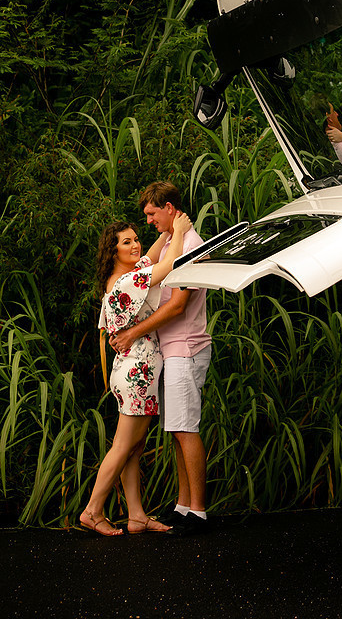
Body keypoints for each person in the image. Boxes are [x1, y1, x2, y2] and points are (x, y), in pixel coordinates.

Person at [79, 213, 192, 536]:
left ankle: (137, 516)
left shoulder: (127, 276)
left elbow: (152, 257)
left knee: (134, 447)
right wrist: (180, 231)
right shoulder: (127, 282)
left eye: (136, 239)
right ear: (113, 250)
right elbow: (167, 265)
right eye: (126, 242)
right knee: (123, 445)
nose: (135, 245)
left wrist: (166, 231)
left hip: (132, 370)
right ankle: (92, 511)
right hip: (137, 373)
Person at [110, 181, 211, 534]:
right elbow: (148, 264)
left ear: (169, 208)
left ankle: (198, 512)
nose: (149, 221)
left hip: (186, 347)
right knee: (177, 431)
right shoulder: (171, 241)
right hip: (170, 350)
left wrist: (132, 333)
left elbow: (178, 304)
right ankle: (183, 506)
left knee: (186, 429)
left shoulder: (190, 245)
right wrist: (172, 232)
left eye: (152, 214)